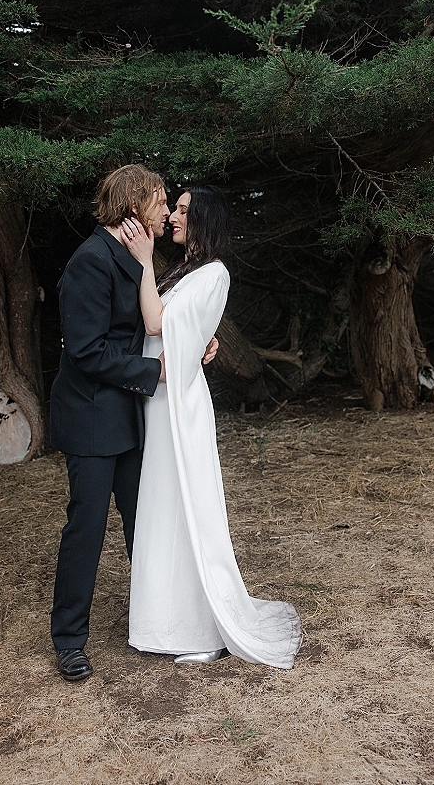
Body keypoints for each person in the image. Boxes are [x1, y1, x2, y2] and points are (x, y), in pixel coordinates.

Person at [121, 186, 302, 668]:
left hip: (179, 407)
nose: (173, 216)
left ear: (203, 220)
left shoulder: (215, 272)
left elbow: (158, 324)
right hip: (161, 402)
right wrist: (200, 340)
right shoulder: (189, 272)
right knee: (163, 504)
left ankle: (202, 626)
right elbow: (176, 327)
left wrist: (143, 260)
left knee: (187, 506)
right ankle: (166, 619)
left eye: (183, 210)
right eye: (174, 209)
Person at [49, 165, 217, 682]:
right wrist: (156, 371)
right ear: (133, 206)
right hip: (91, 416)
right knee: (89, 527)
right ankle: (70, 640)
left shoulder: (137, 256)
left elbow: (163, 316)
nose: (167, 212)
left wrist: (203, 341)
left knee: (144, 524)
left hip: (130, 413)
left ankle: (159, 621)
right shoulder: (90, 261)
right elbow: (85, 351)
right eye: (160, 201)